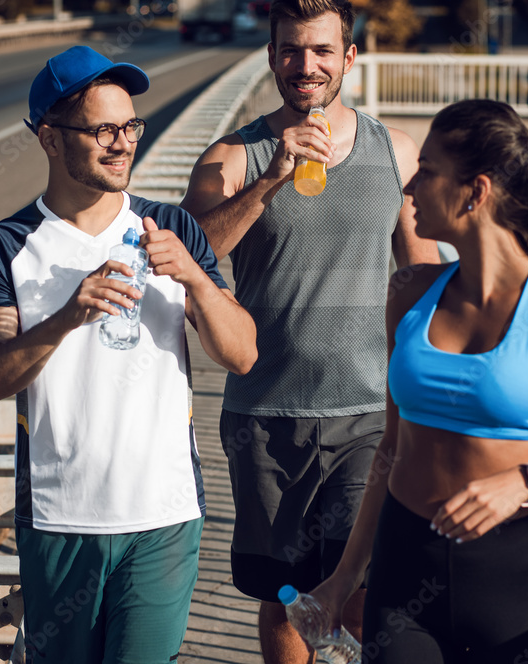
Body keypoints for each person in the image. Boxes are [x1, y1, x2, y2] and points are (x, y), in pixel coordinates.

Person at [310, 99, 528, 663]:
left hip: (515, 586)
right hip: (403, 572)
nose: (408, 188)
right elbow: (390, 449)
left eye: (428, 171)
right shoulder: (409, 291)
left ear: (476, 191)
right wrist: (344, 577)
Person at [0, 45, 256, 662]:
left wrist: (198, 280)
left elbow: (242, 354)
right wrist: (66, 316)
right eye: (103, 129)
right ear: (49, 137)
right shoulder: (6, 246)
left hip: (165, 513)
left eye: (130, 126)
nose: (123, 143)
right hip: (60, 518)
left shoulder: (171, 228)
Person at [180, 1, 440, 661]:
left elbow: (427, 281)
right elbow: (189, 262)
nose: (307, 65)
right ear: (271, 58)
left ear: (349, 58)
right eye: (292, 50)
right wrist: (271, 178)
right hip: (266, 416)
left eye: (322, 50)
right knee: (287, 595)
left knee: (367, 590)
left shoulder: (396, 152)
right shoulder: (233, 158)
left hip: (370, 415)